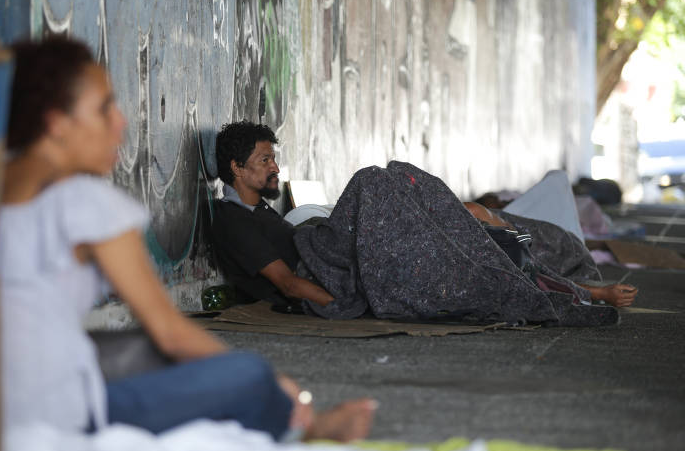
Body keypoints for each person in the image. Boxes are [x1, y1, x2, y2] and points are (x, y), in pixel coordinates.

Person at [0, 37, 375, 444]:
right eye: (104, 108)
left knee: (138, 351)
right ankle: (305, 432)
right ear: (56, 123)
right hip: (63, 412)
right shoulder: (84, 204)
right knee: (250, 373)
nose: (121, 123)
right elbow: (170, 331)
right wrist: (279, 386)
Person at [211, 121, 637, 320]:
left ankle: (565, 277)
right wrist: (346, 306)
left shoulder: (257, 209)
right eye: (265, 160)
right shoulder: (234, 222)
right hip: (330, 266)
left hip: (333, 245)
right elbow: (288, 283)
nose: (275, 168)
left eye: (273, 158)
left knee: (411, 192)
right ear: (235, 167)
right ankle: (579, 292)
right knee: (371, 182)